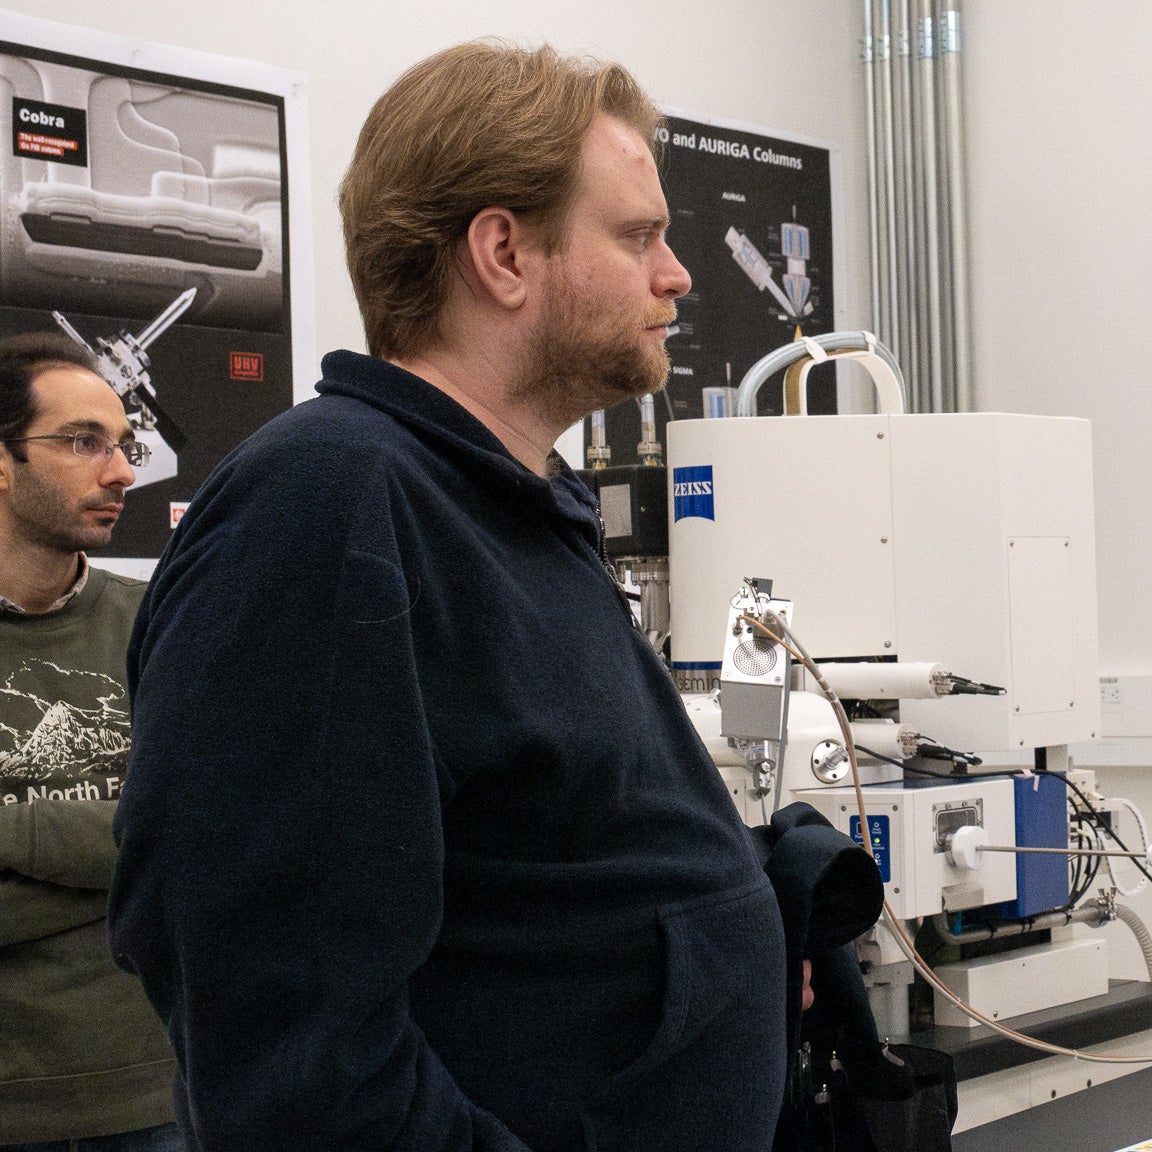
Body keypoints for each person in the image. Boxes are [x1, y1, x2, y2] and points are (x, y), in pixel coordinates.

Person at [109, 43, 782, 1152]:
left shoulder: (509, 504)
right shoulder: (326, 505)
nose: (677, 275)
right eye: (637, 235)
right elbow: (280, 1031)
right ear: (503, 252)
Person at [0, 334, 180, 1150]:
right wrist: (125, 854)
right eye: (83, 442)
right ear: (2, 464)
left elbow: (198, 836)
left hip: (156, 1093)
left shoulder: (160, 624)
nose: (123, 473)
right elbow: (154, 849)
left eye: (123, 443)